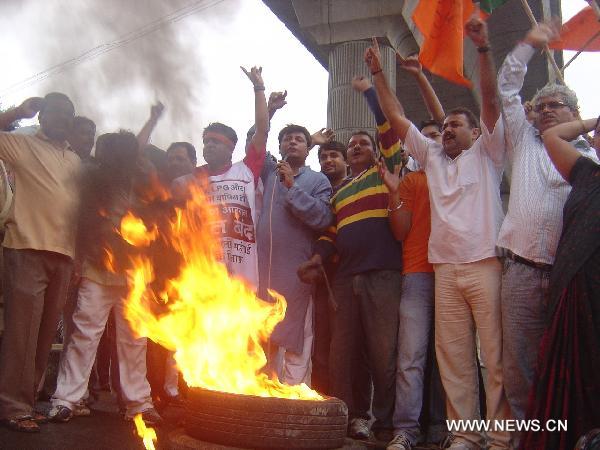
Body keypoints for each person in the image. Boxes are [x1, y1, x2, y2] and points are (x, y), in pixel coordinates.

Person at [368, 15, 511, 449]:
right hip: (444, 271)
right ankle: (464, 436)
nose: (446, 130)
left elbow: (488, 101)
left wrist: (483, 51)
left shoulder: (488, 153)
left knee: (495, 359)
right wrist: (378, 74)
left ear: (476, 133)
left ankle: (503, 439)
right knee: (454, 361)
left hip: (485, 264)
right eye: (444, 126)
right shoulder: (430, 159)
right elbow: (395, 117)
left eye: (455, 126)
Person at [496, 22, 599, 438]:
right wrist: (527, 45)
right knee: (519, 368)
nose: (545, 111)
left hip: (571, 279)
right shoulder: (523, 140)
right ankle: (526, 440)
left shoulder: (590, 160)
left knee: (567, 365)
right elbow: (507, 87)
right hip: (521, 273)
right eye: (540, 107)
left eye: (556, 105)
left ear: (575, 116)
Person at [49, 131, 162, 426]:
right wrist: (77, 261)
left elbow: (161, 229)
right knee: (85, 335)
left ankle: (138, 402)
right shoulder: (92, 183)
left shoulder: (145, 183)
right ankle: (67, 399)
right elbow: (79, 226)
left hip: (135, 275)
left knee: (135, 340)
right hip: (97, 272)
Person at [0, 93, 81, 432]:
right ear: (42, 116)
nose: (61, 118)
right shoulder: (22, 145)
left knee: (45, 334)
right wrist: (18, 112)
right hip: (27, 248)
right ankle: (12, 407)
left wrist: (77, 258)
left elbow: (78, 212)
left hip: (63, 256)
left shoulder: (75, 160)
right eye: (54, 112)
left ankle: (27, 402)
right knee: (23, 333)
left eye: (67, 113)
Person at [520, 117, 600, 450]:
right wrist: (594, 121)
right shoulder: (585, 172)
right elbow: (551, 134)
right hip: (576, 284)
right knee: (577, 366)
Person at [172, 66, 269, 289]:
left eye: (215, 141)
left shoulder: (246, 170)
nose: (209, 146)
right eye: (206, 142)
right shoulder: (193, 178)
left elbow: (262, 130)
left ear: (230, 148)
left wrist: (258, 88)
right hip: (203, 266)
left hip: (242, 267)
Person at [256, 123, 333, 386]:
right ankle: (262, 401)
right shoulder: (268, 173)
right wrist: (271, 111)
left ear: (308, 149)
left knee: (298, 338)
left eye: (299, 140)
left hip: (297, 274)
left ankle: (293, 399)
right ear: (279, 147)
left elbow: (322, 218)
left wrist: (291, 186)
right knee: (263, 336)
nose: (292, 143)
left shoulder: (318, 180)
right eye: (287, 139)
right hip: (263, 274)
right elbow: (254, 142)